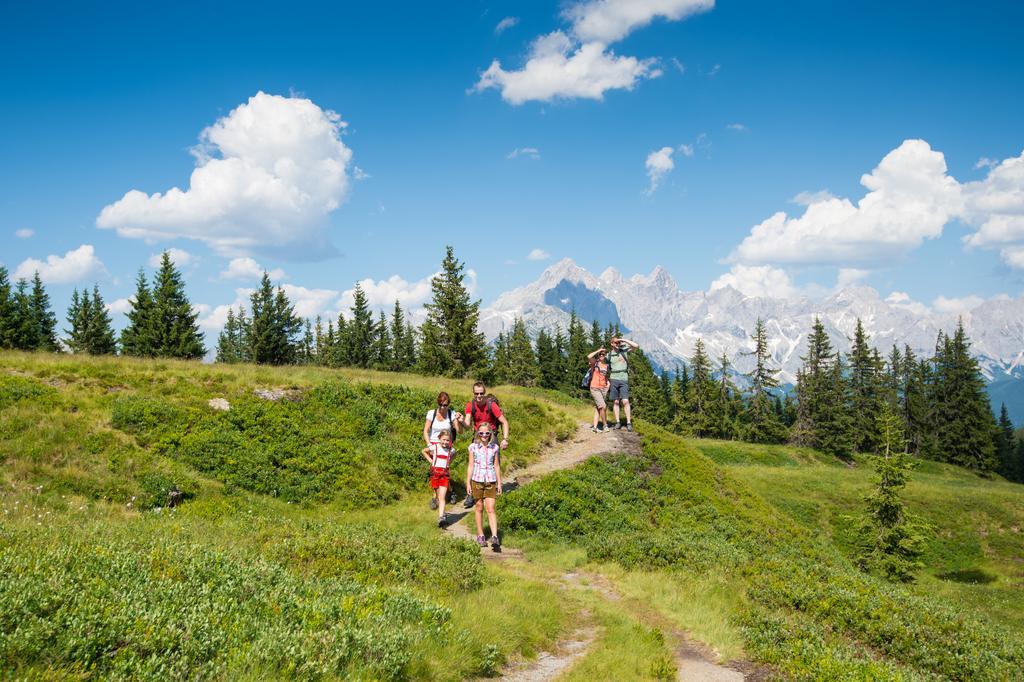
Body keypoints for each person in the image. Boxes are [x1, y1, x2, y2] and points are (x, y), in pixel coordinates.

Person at [466, 422, 503, 551]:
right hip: (477, 479)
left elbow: (497, 466)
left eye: (487, 433)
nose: (484, 435)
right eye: (481, 433)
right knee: (479, 507)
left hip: (491, 480)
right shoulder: (473, 447)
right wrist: (468, 482)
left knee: (491, 508)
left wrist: (499, 482)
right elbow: (470, 465)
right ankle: (481, 535)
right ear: (478, 433)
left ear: (490, 434)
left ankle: (494, 536)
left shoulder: (495, 448)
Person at [423, 392, 462, 509]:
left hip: (446, 445)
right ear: (438, 403)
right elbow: (425, 431)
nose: (442, 407)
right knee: (434, 472)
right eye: (440, 404)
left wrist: (458, 420)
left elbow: (460, 431)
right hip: (434, 445)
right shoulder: (432, 413)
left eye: (445, 405)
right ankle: (439, 496)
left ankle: (444, 495)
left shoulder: (452, 414)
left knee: (443, 471)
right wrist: (429, 444)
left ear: (448, 404)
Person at [422, 429, 456, 528]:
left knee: (442, 497)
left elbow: (455, 454)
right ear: (439, 439)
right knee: (438, 496)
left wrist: (449, 462)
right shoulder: (435, 447)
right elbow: (424, 451)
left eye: (447, 440)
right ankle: (443, 514)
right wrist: (430, 460)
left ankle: (441, 517)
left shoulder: (451, 449)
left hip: (445, 474)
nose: (445, 442)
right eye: (444, 439)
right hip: (435, 474)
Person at [607, 336, 640, 431]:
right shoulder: (609, 355)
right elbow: (602, 365)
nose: (617, 344)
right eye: (615, 343)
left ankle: (628, 422)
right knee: (616, 402)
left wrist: (623, 340)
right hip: (613, 378)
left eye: (618, 343)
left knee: (625, 401)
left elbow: (636, 346)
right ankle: (618, 422)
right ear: (611, 344)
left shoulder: (624, 350)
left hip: (623, 379)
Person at [586, 347, 612, 432]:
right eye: (600, 354)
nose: (601, 355)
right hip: (595, 387)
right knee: (603, 406)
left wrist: (608, 383)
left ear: (605, 355)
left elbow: (605, 376)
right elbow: (589, 356)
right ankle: (605, 425)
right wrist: (598, 350)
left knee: (598, 407)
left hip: (603, 388)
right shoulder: (595, 363)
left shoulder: (606, 365)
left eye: (603, 354)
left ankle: (595, 427)